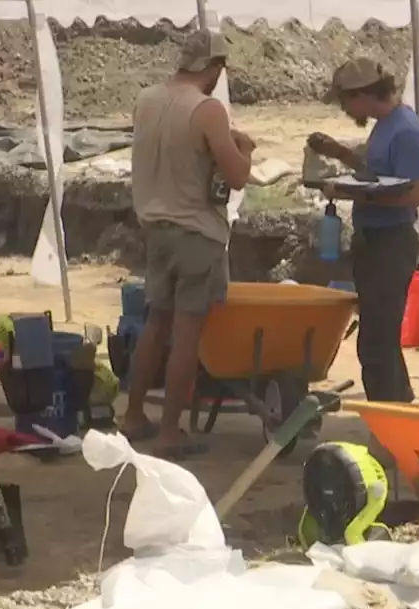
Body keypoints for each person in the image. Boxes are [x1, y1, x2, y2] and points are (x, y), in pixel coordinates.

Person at [123, 30, 255, 458]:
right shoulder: (207, 109)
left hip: (155, 224)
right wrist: (245, 150)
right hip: (196, 231)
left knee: (155, 322)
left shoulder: (147, 100)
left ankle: (134, 414)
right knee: (186, 334)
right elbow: (236, 177)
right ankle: (169, 432)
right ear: (214, 68)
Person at [307, 58, 419, 403]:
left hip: (391, 242)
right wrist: (340, 153)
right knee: (379, 336)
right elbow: (377, 174)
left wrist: (348, 192)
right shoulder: (385, 125)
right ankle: (399, 408)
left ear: (362, 95)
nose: (345, 109)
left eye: (345, 101)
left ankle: (391, 414)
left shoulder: (405, 130)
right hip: (374, 239)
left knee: (376, 338)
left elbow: (411, 194)